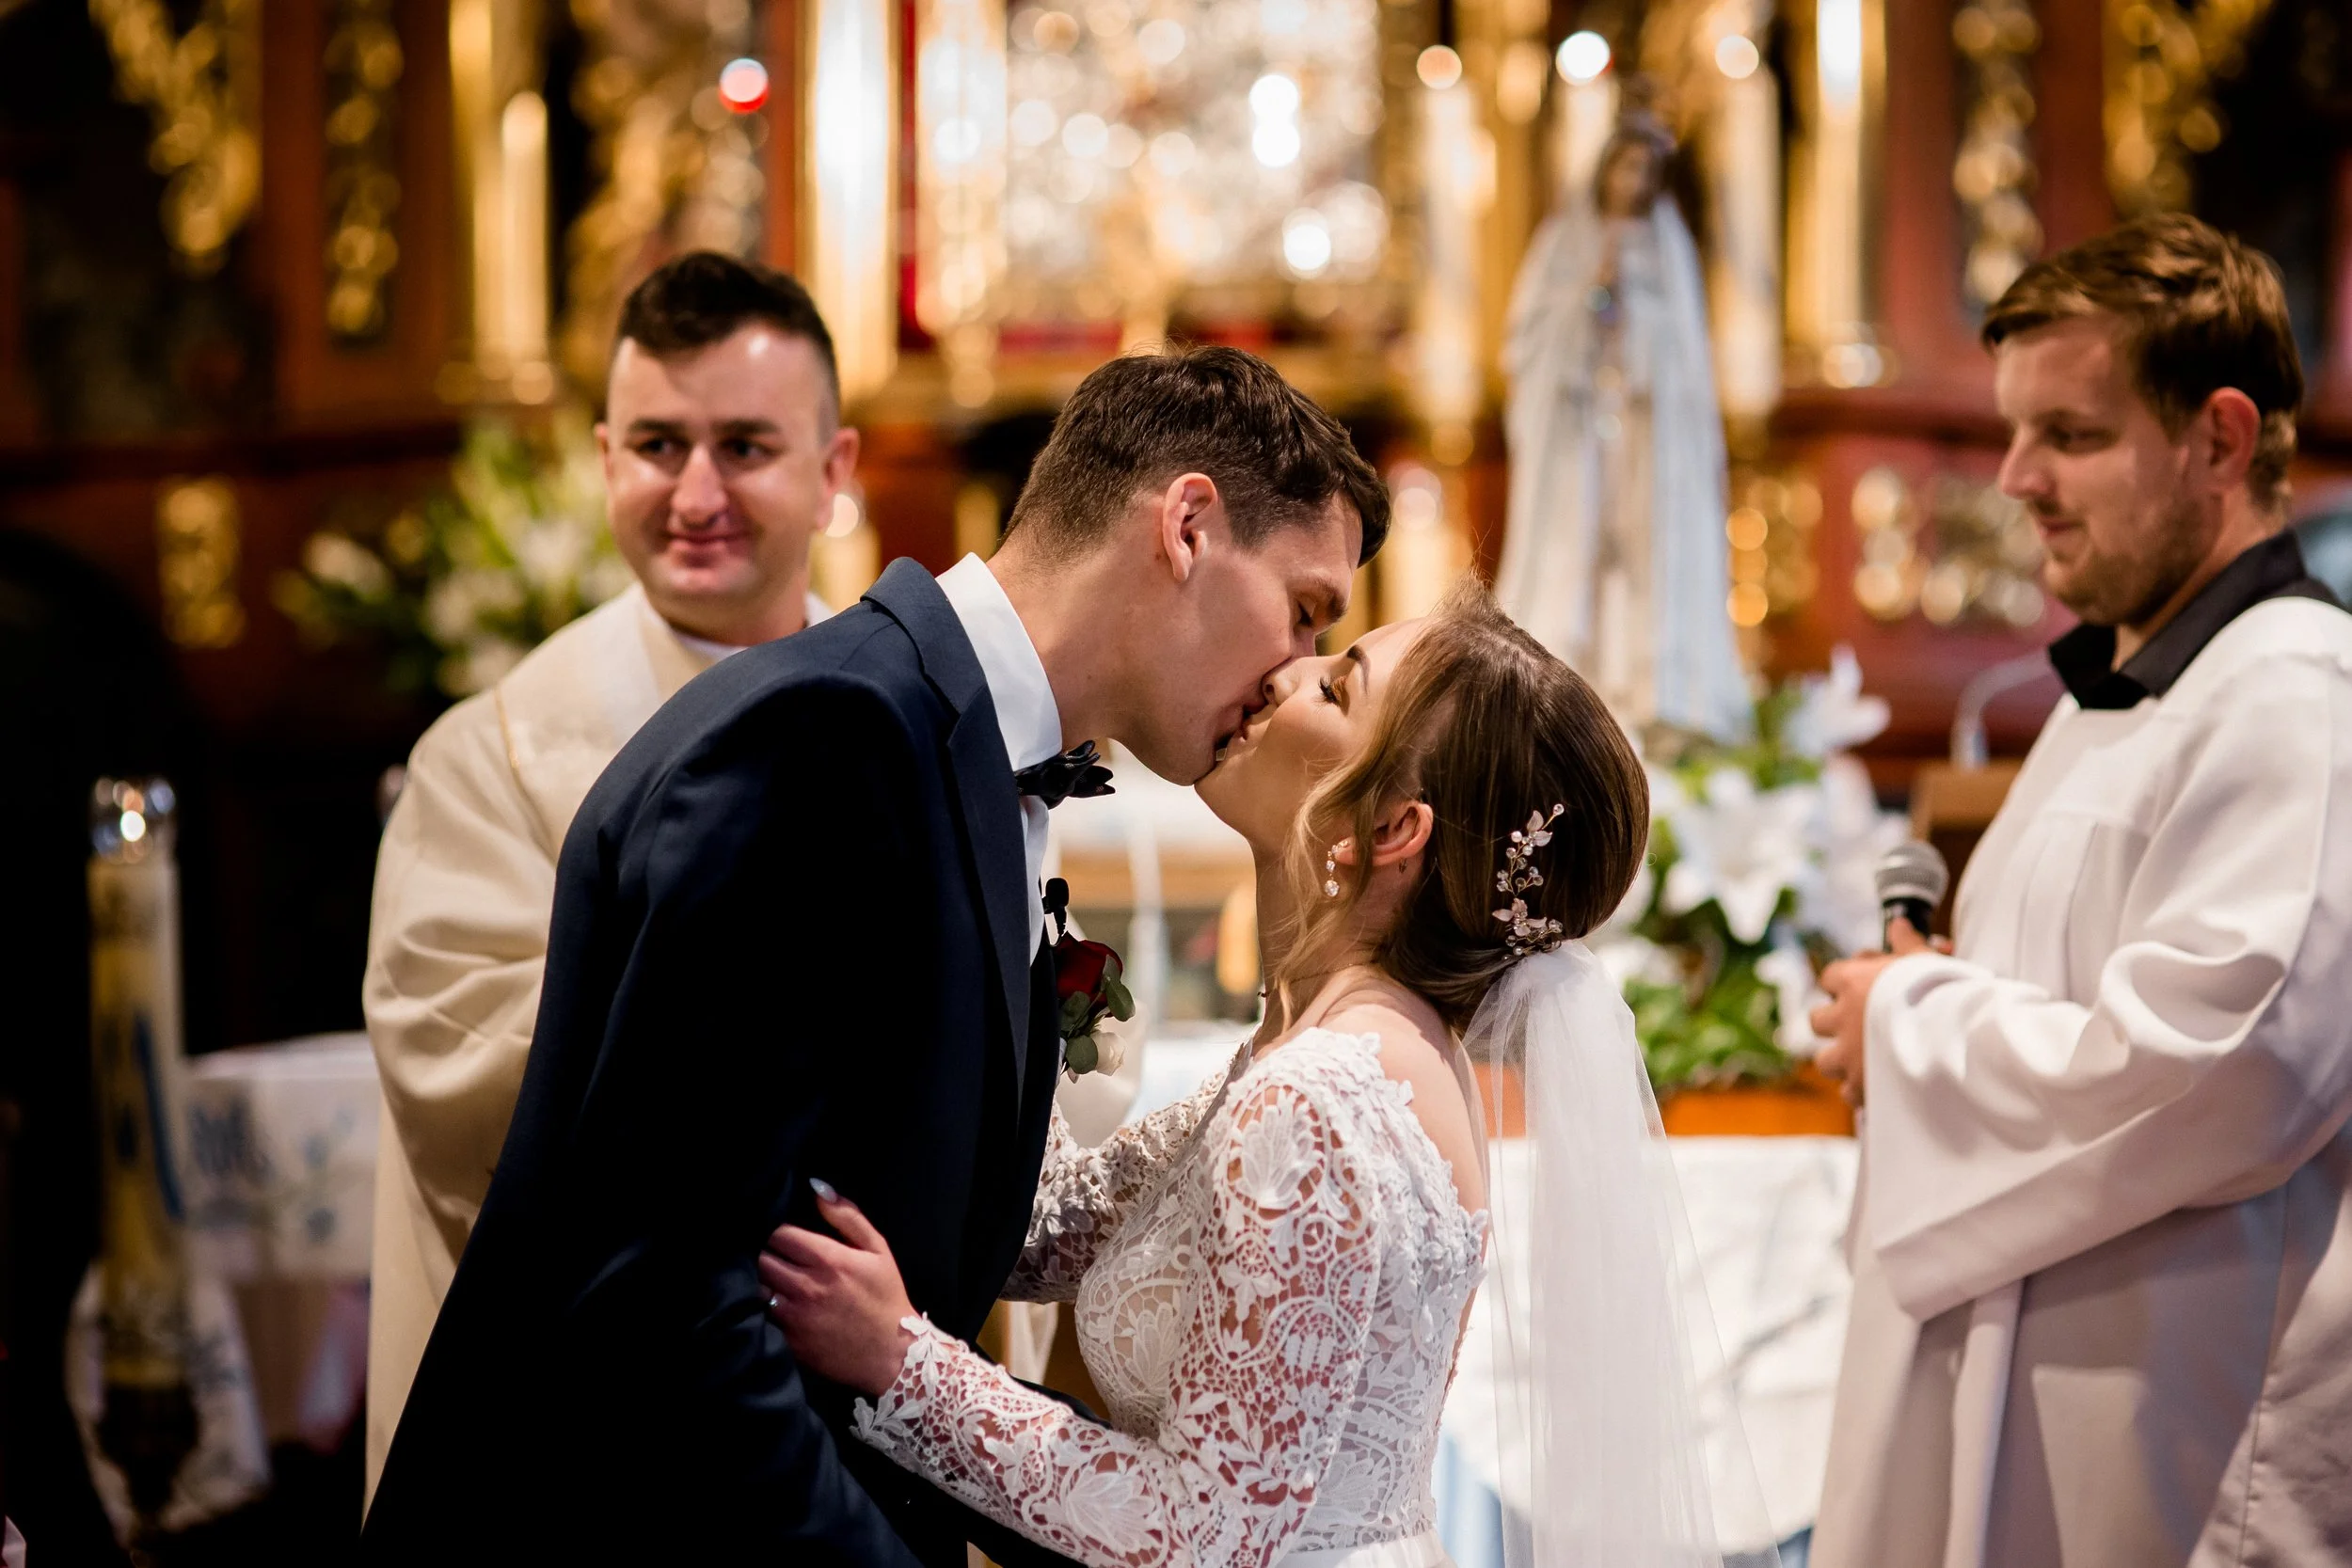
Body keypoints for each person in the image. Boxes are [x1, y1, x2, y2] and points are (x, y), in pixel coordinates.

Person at [358, 343, 1389, 1566]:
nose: (1291, 670)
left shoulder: (960, 744)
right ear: (1186, 525)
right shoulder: (827, 737)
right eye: (1306, 607)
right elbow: (673, 1298)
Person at [757, 586, 1760, 1568]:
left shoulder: (1318, 1100)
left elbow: (1202, 1538)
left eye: (1336, 686)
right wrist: (1011, 966)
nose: (1285, 671)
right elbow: (1050, 1225)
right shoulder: (1339, 1050)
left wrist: (901, 1362)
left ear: (1390, 832)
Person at [1807, 214, 2352, 1567]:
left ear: (2221, 438)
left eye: (2072, 434)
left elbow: (2230, 1058)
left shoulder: (2295, 694)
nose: (2016, 477)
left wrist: (1908, 1020)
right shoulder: (2132, 690)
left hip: (2182, 1449)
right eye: (2013, 431)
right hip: (2055, 1395)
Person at [359, 251, 854, 1504]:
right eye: (655, 444)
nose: (695, 490)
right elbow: (460, 1080)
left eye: (744, 444)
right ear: (601, 459)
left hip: (893, 1384)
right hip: (595, 1430)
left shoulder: (937, 731)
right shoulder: (494, 759)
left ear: (834, 470)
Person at [1496, 110, 1750, 739]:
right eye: (1627, 164)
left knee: (1641, 555)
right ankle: (1560, 687)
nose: (1635, 179)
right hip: (1581, 434)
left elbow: (1687, 358)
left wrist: (1639, 326)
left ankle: (1646, 694)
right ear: (1606, 167)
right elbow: (1528, 340)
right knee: (1573, 550)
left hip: (1645, 439)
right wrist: (1588, 307)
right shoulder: (1564, 241)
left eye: (1647, 169)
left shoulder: (1668, 248)